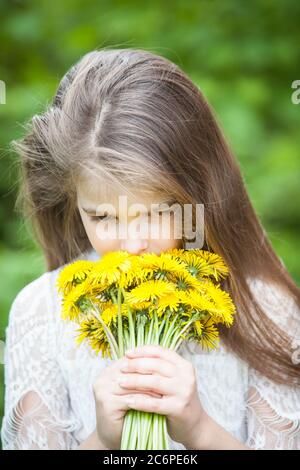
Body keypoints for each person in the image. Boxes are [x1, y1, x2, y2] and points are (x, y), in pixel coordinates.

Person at [1, 48, 300, 450]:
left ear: (202, 194)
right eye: (104, 218)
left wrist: (199, 431)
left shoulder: (266, 311)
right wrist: (104, 441)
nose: (133, 243)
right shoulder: (43, 314)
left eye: (157, 213)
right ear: (72, 204)